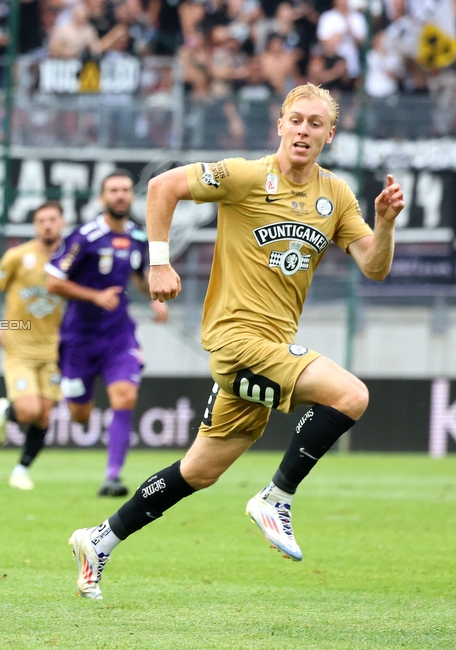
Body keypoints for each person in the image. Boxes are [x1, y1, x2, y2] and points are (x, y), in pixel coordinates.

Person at [68, 83, 405, 599]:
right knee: (351, 394)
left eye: (316, 123)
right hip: (236, 343)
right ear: (280, 124)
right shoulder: (245, 175)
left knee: (198, 471)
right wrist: (158, 260)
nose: (304, 130)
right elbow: (161, 187)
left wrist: (384, 224)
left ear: (329, 134)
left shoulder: (335, 194)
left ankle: (101, 539)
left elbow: (375, 267)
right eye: (296, 119)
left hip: (270, 351)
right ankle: (276, 497)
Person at [44, 170, 168, 497]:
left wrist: (154, 297)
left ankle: (112, 476)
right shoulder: (84, 236)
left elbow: (140, 276)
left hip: (118, 336)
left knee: (125, 397)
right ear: (102, 198)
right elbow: (53, 282)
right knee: (79, 414)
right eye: (113, 190)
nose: (120, 196)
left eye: (125, 190)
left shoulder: (139, 237)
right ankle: (77, 401)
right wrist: (94, 296)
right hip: (78, 339)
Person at [0, 201, 66, 490]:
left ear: (62, 223)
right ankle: (7, 410)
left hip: (54, 350)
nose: (47, 225)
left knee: (44, 415)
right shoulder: (18, 256)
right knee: (29, 411)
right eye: (42, 220)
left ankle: (21, 470)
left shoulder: (71, 258)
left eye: (52, 219)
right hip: (19, 348)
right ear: (35, 225)